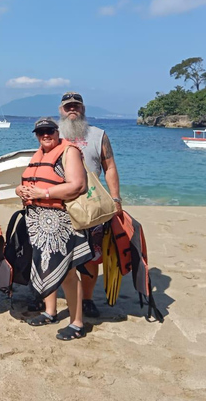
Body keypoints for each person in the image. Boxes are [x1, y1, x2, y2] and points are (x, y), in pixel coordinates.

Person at [18, 117, 90, 341]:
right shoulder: (39, 153)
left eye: (49, 131)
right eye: (41, 132)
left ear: (57, 132)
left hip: (61, 220)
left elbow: (78, 185)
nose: (45, 135)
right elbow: (35, 179)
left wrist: (43, 194)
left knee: (68, 271)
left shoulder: (69, 151)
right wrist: (22, 190)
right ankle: (50, 311)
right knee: (44, 266)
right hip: (38, 220)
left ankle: (77, 322)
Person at [57, 91, 122, 318]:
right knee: (58, 254)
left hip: (92, 207)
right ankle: (56, 295)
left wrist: (115, 199)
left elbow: (110, 167)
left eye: (76, 106)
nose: (72, 109)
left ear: (83, 108)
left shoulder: (98, 135)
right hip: (58, 206)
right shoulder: (53, 134)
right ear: (61, 110)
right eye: (68, 106)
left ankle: (86, 299)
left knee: (92, 256)